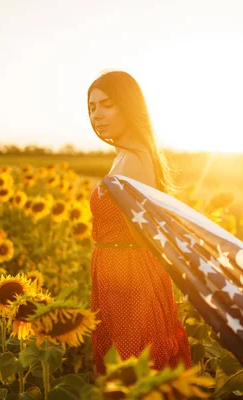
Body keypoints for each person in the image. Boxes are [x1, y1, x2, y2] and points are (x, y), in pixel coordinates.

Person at [86, 70, 193, 378]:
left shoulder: (134, 160)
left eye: (106, 104)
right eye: (92, 107)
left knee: (136, 371)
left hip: (130, 278)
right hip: (116, 273)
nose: (97, 115)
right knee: (124, 371)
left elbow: (144, 234)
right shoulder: (126, 155)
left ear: (128, 105)